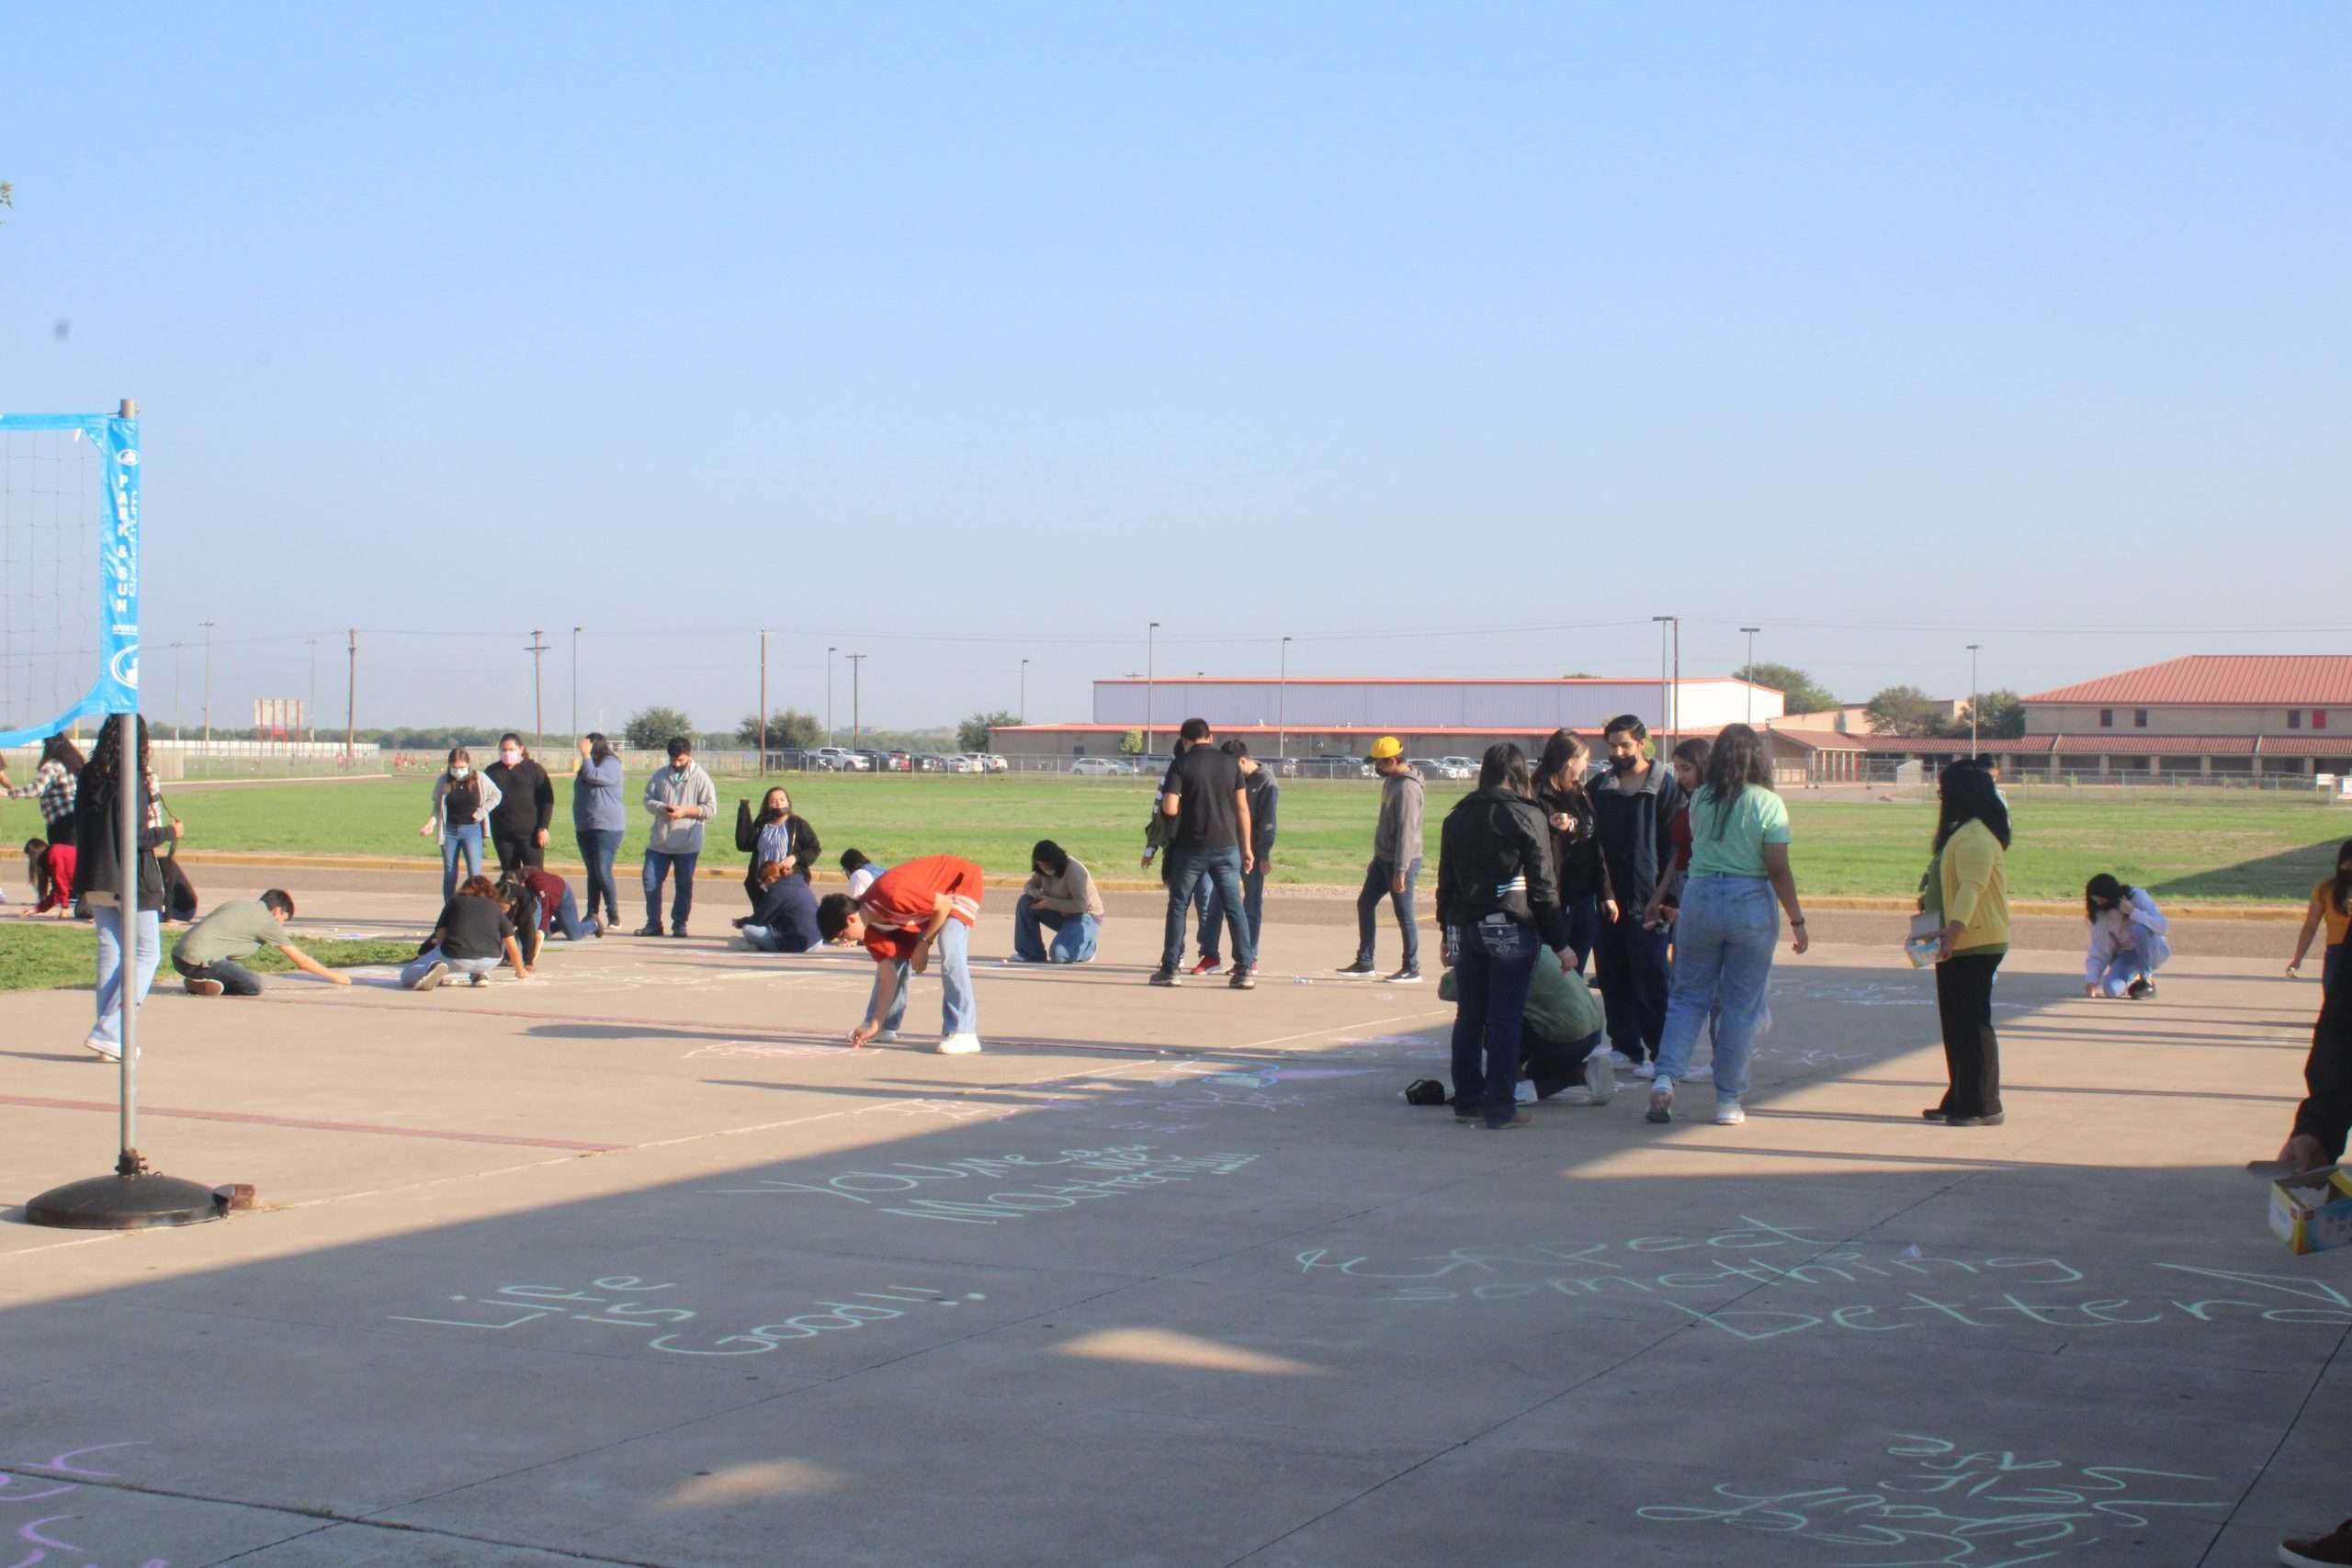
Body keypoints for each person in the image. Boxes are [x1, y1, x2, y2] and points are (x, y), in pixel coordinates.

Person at [1644, 724, 1807, 1128]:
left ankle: (1665, 1076)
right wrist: (1797, 918)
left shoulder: (1701, 797)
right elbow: (1777, 867)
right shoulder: (1768, 803)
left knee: (1687, 997)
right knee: (1739, 1005)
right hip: (1748, 900)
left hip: (1699, 897)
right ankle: (1728, 1099)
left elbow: (1697, 845)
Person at [1436, 742, 1584, 1128]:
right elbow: (1543, 886)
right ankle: (1500, 1106)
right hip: (1510, 925)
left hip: (1466, 925)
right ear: (1518, 773)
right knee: (1505, 1018)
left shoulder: (1458, 817)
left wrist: (1444, 930)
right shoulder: (1526, 814)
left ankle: (1467, 1099)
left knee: (1469, 1016)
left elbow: (1445, 882)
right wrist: (1561, 943)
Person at [70, 715, 182, 1061]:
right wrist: (170, 833)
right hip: (131, 878)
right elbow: (135, 837)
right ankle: (109, 1031)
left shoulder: (88, 776)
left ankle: (112, 1038)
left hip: (95, 876)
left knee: (111, 952)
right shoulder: (131, 779)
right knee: (148, 953)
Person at [1919, 761, 2011, 1128]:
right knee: (1955, 1022)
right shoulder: (1962, 833)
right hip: (1953, 941)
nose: (1941, 797)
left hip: (1974, 941)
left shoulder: (1975, 837)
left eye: (1944, 791)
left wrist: (1953, 930)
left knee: (1972, 1024)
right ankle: (1960, 1095)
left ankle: (1983, 1103)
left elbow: (1972, 888)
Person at [817, 853, 986, 1053]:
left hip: (957, 883)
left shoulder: (892, 893)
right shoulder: (870, 931)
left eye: (842, 934)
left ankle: (964, 1031)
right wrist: (875, 1024)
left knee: (950, 945)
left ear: (851, 919)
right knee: (893, 958)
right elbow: (889, 978)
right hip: (928, 906)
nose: (845, 940)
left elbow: (944, 905)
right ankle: (886, 1027)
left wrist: (924, 943)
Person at [1590, 715, 1683, 1076]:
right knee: (1612, 973)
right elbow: (1591, 844)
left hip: (1651, 898)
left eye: (1624, 745)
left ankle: (1662, 1051)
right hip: (1610, 899)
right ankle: (1626, 1046)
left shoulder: (1665, 786)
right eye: (1612, 745)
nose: (1618, 752)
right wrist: (1603, 890)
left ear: (1642, 743)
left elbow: (1678, 848)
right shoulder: (1600, 787)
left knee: (1653, 975)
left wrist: (1668, 897)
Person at [1149, 718, 1257, 989]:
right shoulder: (1230, 763)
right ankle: (1244, 969)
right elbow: (1243, 809)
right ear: (1210, 737)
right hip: (1228, 845)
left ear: (1185, 740)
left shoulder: (1181, 764)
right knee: (1234, 906)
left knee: (1178, 904)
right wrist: (1247, 847)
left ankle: (1171, 968)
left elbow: (1171, 808)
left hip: (1192, 847)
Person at [1438, 939, 1612, 1104]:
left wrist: (1460, 963)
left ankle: (1517, 1082)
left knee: (1494, 1020)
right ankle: (1584, 1070)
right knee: (1539, 1080)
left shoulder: (1500, 956)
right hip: (1589, 1033)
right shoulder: (1542, 948)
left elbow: (1449, 989)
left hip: (1560, 1033)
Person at [1335, 737, 1425, 982]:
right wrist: (1377, 858)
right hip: (1383, 859)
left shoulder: (1407, 788)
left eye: (1379, 763)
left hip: (1401, 861)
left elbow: (1407, 832)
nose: (1376, 768)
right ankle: (1365, 961)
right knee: (1365, 903)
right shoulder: (1391, 782)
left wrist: (1401, 871)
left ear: (1393, 760)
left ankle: (1411, 966)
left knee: (1404, 913)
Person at [1532, 729, 1615, 972]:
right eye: (1584, 759)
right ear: (1570, 759)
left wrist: (1606, 893)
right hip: (1556, 898)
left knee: (1575, 970)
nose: (1586, 765)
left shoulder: (1580, 792)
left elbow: (1594, 842)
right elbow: (1529, 843)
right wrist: (1551, 826)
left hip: (1585, 897)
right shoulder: (1537, 793)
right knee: (1554, 973)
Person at [172, 889, 350, 996]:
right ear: (277, 910)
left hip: (178, 957)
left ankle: (202, 981)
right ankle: (201, 984)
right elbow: (301, 961)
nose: (280, 924)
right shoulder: (267, 921)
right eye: (283, 919)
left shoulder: (236, 904)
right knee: (253, 985)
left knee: (232, 969)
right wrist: (336, 976)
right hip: (198, 962)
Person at [1202, 739, 1277, 964]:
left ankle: (1249, 957)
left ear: (1242, 761)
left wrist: (1263, 854)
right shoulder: (1232, 776)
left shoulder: (1266, 781)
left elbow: (1268, 821)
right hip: (1227, 848)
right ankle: (1210, 955)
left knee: (1250, 905)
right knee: (1216, 901)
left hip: (1252, 852)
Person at [639, 738, 717, 937]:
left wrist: (685, 812)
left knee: (683, 885)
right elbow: (648, 799)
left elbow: (710, 809)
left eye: (681, 760)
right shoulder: (660, 776)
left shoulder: (701, 778)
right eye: (673, 760)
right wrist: (660, 808)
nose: (677, 764)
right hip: (660, 842)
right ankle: (654, 923)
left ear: (689, 756)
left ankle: (679, 924)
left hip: (687, 843)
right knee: (650, 882)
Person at [402, 874, 530, 989]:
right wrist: (520, 971)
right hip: (491, 960)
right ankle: (480, 975)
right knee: (488, 940)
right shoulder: (495, 906)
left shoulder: (455, 902)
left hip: (456, 957)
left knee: (407, 973)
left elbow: (440, 938)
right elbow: (510, 943)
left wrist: (438, 960)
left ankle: (431, 968)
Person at [420, 747, 499, 903]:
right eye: (454, 768)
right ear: (449, 766)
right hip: (450, 831)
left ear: (468, 764)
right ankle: (449, 910)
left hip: (472, 830)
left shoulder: (479, 778)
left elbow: (497, 795)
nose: (458, 771)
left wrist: (481, 813)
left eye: (462, 768)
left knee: (474, 875)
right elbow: (438, 808)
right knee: (450, 874)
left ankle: (475, 908)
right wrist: (431, 823)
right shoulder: (444, 781)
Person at [1013, 840, 1102, 964]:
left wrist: (1049, 903)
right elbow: (1029, 885)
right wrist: (1035, 893)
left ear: (1055, 861)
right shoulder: (1042, 871)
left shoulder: (1074, 871)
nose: (1043, 868)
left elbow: (1080, 905)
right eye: (1039, 865)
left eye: (1046, 865)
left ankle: (1088, 947)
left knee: (1059, 955)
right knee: (1025, 902)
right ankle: (1031, 953)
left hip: (1085, 916)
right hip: (1060, 912)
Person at [572, 733, 627, 931]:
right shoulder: (587, 766)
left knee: (603, 870)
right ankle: (591, 913)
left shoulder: (610, 763)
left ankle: (614, 915)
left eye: (588, 746)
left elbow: (595, 777)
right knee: (592, 872)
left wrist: (586, 756)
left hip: (607, 827)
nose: (585, 749)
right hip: (586, 826)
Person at [2084, 873, 2169, 998]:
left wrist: (2133, 912)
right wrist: (2092, 979)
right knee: (2111, 990)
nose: (2099, 905)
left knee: (2140, 929)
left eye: (2102, 900)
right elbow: (2100, 949)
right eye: (2096, 901)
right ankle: (2134, 979)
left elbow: (2163, 926)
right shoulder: (2100, 914)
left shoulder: (2137, 897)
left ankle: (2147, 981)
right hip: (2127, 955)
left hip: (2152, 951)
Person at [735, 785, 820, 908]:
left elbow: (814, 848)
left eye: (782, 799)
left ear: (788, 802)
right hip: (763, 884)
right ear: (768, 805)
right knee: (764, 920)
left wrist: (795, 857)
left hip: (788, 882)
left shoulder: (798, 824)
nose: (778, 803)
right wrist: (744, 809)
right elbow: (744, 843)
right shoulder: (762, 824)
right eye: (773, 801)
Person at [498, 866, 599, 966]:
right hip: (540, 901)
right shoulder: (504, 887)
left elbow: (546, 910)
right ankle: (561, 923)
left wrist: (541, 931)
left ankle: (594, 923)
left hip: (561, 895)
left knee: (574, 934)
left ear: (521, 884)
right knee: (536, 932)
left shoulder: (539, 884)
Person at [484, 734, 555, 875]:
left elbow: (547, 801)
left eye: (511, 749)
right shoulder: (491, 772)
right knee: (510, 876)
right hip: (502, 834)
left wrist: (543, 828)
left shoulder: (534, 770)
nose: (507, 753)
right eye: (504, 750)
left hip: (530, 835)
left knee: (535, 875)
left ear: (521, 749)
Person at [3, 733, 84, 852]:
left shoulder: (52, 765)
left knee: (61, 863)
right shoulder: (74, 764)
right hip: (78, 818)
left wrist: (9, 792)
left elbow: (36, 790)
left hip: (61, 821)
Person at [2288, 841, 2352, 992]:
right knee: (2334, 1005)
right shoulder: (2325, 890)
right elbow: (2310, 926)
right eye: (2348, 866)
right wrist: (2297, 959)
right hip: (2337, 953)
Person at [739, 859, 823, 953]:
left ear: (769, 879)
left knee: (748, 929)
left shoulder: (776, 892)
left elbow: (759, 920)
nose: (762, 886)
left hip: (799, 944)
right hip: (818, 940)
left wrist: (742, 922)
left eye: (762, 883)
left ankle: (760, 945)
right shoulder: (801, 883)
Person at [22, 837, 75, 917]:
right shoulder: (52, 855)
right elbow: (57, 891)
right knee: (84, 910)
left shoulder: (54, 854)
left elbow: (60, 882)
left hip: (92, 880)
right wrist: (36, 909)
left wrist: (65, 907)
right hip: (87, 884)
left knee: (84, 912)